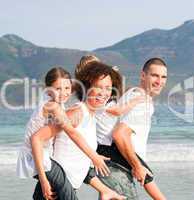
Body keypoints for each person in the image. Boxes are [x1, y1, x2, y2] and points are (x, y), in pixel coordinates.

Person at [17, 66, 124, 200]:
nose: (104, 92)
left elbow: (77, 158)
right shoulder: (70, 111)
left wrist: (103, 189)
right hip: (42, 162)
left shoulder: (86, 114)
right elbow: (41, 137)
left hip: (56, 172)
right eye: (98, 86)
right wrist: (94, 156)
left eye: (108, 88)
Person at [97, 57, 167, 199]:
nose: (160, 81)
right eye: (154, 75)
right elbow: (120, 134)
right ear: (143, 75)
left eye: (163, 77)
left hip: (112, 170)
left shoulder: (132, 94)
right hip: (117, 171)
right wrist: (137, 166)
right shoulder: (142, 103)